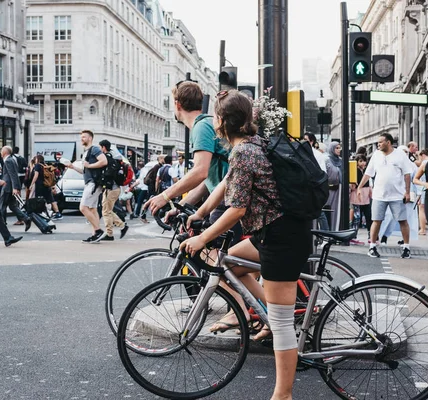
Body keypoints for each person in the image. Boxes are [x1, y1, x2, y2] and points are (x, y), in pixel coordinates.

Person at [180, 89, 312, 400]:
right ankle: (268, 307)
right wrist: (198, 213)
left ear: (223, 121)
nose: (212, 120)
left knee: (281, 326)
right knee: (229, 265)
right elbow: (227, 183)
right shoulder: (252, 145)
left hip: (282, 239)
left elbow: (236, 208)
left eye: (214, 115)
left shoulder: (245, 151)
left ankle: (283, 395)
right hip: (272, 233)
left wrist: (203, 236)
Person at [145, 81, 232, 233]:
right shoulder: (207, 123)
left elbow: (200, 172)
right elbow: (207, 182)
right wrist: (182, 206)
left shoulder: (201, 127)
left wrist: (165, 196)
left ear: (177, 105)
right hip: (223, 198)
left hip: (227, 201)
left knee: (208, 251)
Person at [356, 133, 414, 259]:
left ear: (388, 142)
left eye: (380, 142)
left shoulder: (400, 155)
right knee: (376, 220)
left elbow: (407, 174)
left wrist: (407, 192)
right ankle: (372, 247)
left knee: (402, 221)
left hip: (397, 195)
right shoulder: (376, 155)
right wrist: (360, 187)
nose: (378, 144)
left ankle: (406, 247)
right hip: (379, 195)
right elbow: (368, 173)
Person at [66, 130, 107, 242]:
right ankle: (95, 235)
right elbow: (85, 170)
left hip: (93, 183)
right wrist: (73, 167)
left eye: (84, 137)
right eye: (81, 137)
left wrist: (90, 165)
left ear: (90, 138)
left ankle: (98, 231)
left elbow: (104, 161)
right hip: (90, 182)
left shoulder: (94, 149)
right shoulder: (86, 152)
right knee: (92, 209)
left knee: (83, 208)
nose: (81, 139)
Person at [95, 139, 129, 242]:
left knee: (106, 211)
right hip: (114, 188)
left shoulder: (108, 158)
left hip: (111, 188)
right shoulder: (114, 157)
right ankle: (118, 228)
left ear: (103, 147)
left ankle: (113, 232)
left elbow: (108, 174)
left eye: (100, 147)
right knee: (107, 210)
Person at [0, 146, 31, 230]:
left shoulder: (8, 161)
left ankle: (2, 226)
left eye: (1, 151)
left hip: (7, 186)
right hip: (11, 186)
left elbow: (13, 175)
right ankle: (26, 219)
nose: (0, 153)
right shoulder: (11, 160)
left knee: (2, 205)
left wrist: (15, 188)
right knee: (12, 206)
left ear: (5, 152)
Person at [28, 155, 63, 220]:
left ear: (37, 159)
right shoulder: (45, 165)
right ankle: (58, 213)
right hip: (47, 185)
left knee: (40, 200)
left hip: (40, 186)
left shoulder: (38, 166)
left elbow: (35, 176)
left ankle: (43, 214)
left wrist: (32, 184)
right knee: (51, 199)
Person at [350, 154, 372, 240]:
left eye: (364, 161)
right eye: (360, 161)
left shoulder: (366, 171)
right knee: (357, 217)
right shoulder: (354, 171)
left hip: (365, 196)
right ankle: (353, 235)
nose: (363, 163)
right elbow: (352, 185)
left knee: (369, 216)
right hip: (357, 196)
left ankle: (371, 235)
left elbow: (369, 184)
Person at [325, 142, 343, 231]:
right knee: (328, 211)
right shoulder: (326, 160)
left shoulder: (341, 160)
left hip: (339, 190)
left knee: (337, 211)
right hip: (328, 190)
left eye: (339, 148)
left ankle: (336, 230)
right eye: (337, 148)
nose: (339, 149)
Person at [417, 149, 428, 235]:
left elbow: (419, 178)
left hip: (424, 188)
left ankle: (422, 229)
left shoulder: (424, 163)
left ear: (422, 155)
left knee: (421, 208)